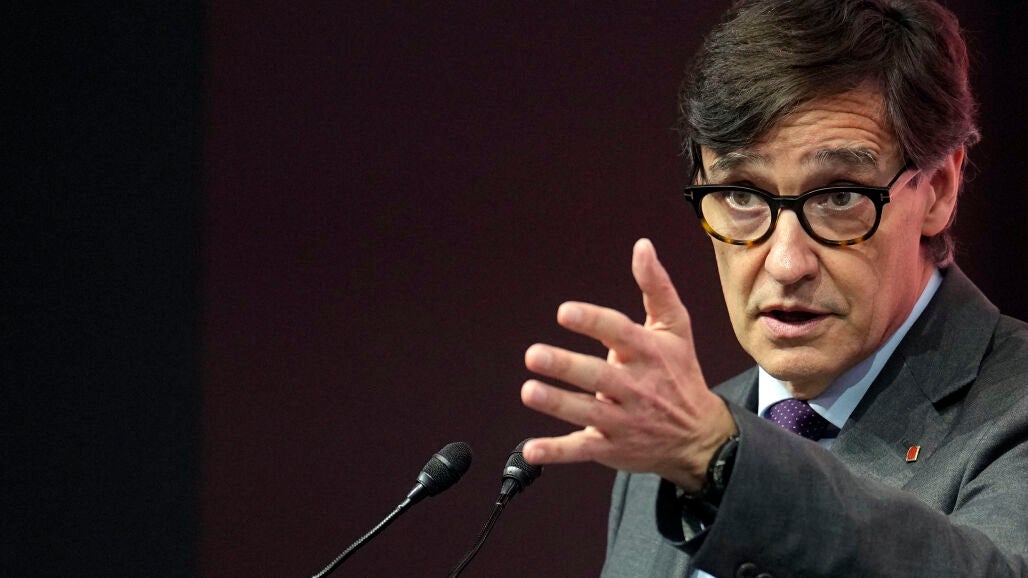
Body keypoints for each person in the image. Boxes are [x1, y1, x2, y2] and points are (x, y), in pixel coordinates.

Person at [519, 0, 1028, 576]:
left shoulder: (1014, 408)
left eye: (839, 196)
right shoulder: (672, 447)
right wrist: (708, 453)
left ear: (938, 189)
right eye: (742, 195)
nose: (786, 263)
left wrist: (725, 463)